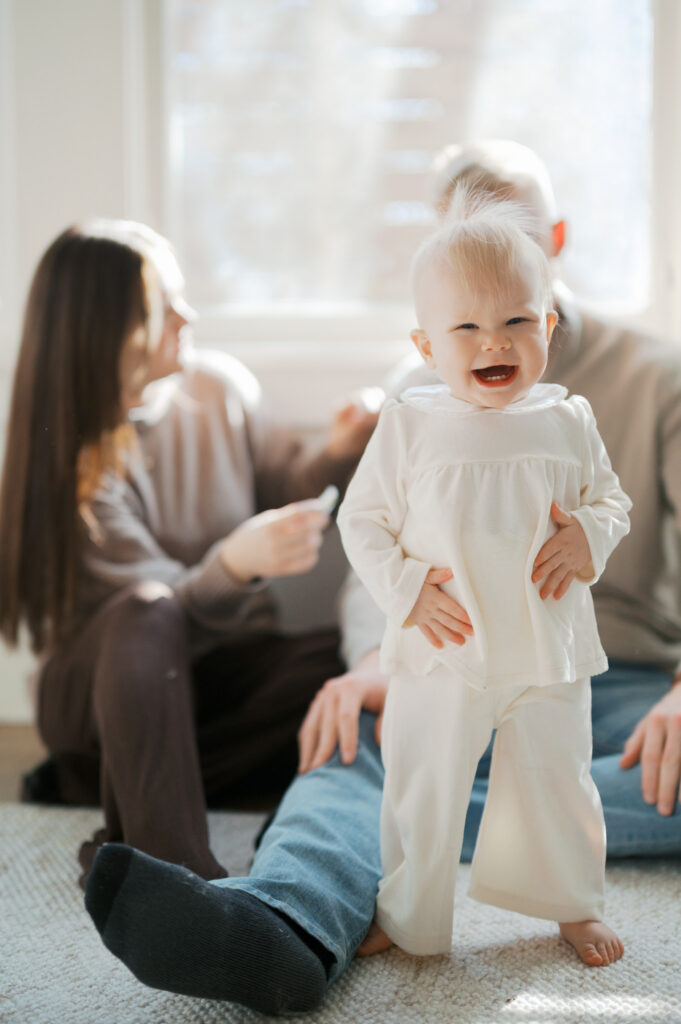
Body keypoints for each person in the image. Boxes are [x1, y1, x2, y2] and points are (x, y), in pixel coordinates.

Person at [83, 141, 681, 1015]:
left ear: (549, 244)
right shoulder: (418, 398)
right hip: (449, 652)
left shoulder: (642, 381)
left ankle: (488, 838)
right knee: (360, 742)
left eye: (506, 250)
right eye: (456, 259)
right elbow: (373, 540)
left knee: (519, 776)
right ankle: (286, 926)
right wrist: (375, 657)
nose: (486, 322)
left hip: (614, 676)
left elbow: (608, 503)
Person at [0, 219, 376, 890]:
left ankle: (131, 782)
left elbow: (282, 483)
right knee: (146, 611)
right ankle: (169, 867)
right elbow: (163, 615)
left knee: (363, 675)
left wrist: (338, 450)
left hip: (219, 682)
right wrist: (234, 565)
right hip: (110, 694)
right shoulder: (77, 465)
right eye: (162, 304)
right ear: (105, 330)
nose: (188, 314)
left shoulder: (218, 390)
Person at [337, 186, 630, 965]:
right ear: (427, 346)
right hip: (445, 648)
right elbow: (359, 522)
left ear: (548, 327)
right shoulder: (410, 422)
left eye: (515, 322)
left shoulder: (568, 420)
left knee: (558, 785)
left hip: (547, 646)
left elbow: (610, 499)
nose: (491, 343)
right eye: (464, 327)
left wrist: (588, 539)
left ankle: (570, 904)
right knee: (421, 787)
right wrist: (408, 592)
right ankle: (408, 914)